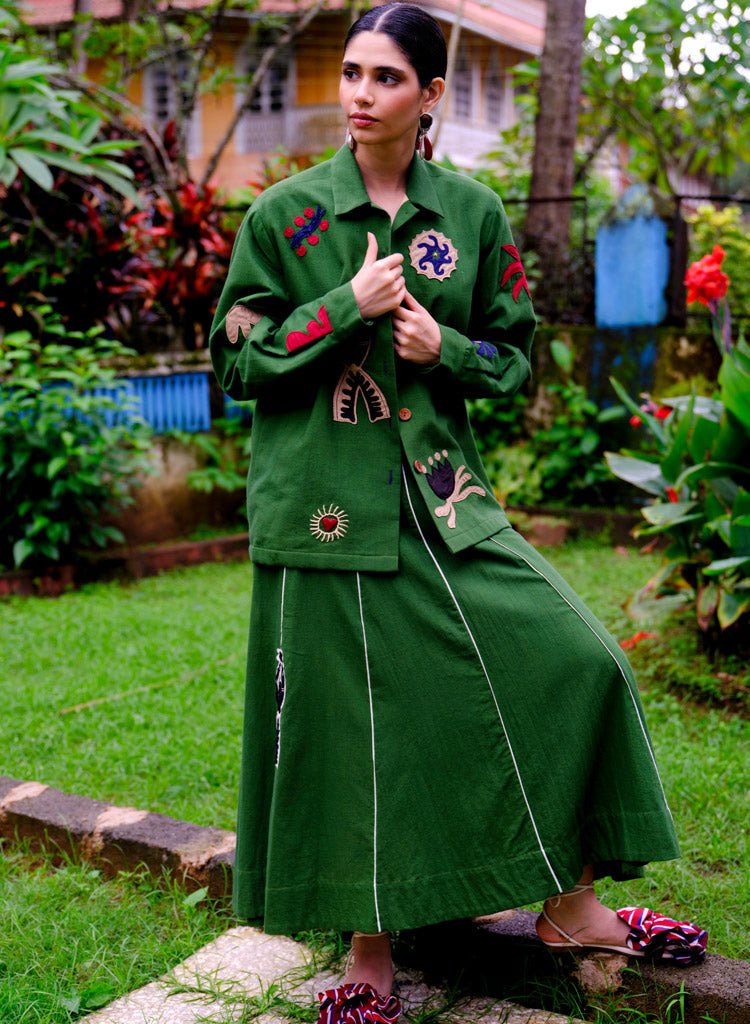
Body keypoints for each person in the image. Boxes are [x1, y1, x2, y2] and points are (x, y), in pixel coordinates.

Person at [209, 4, 706, 1020]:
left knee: (580, 659)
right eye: (352, 72)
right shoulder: (285, 217)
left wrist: (452, 350)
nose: (360, 93)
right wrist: (342, 307)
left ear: (430, 94)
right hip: (324, 511)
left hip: (445, 500)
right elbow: (234, 362)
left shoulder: (472, 216)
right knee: (363, 728)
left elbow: (514, 360)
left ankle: (570, 903)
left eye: (386, 77)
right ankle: (370, 953)